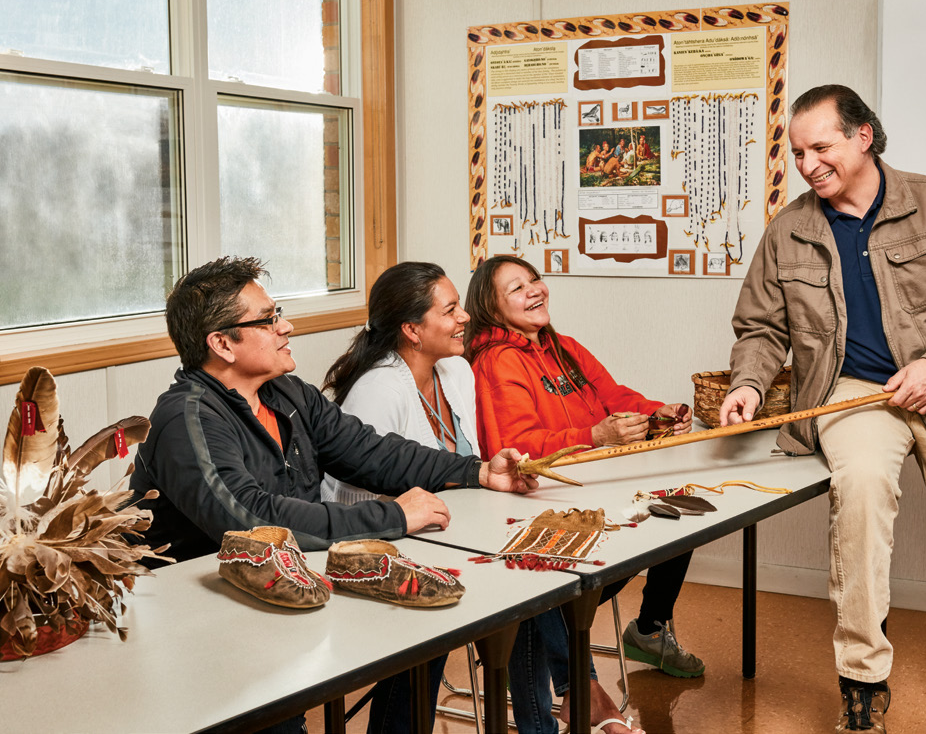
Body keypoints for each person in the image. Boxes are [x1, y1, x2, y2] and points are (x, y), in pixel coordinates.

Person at [718, 85, 926, 734]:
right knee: (858, 497)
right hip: (850, 392)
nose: (806, 165)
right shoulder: (789, 229)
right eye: (797, 152)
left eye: (820, 147)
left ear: (863, 137)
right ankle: (862, 691)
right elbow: (759, 329)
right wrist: (747, 382)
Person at [131, 256, 537, 734]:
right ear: (222, 344)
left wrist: (477, 471)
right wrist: (389, 516)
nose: (287, 325)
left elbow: (373, 452)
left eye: (277, 311)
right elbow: (247, 520)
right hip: (210, 629)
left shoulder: (288, 394)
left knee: (424, 631)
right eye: (268, 319)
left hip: (291, 590)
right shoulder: (187, 417)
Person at [465, 255, 705, 734]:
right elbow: (517, 449)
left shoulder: (564, 346)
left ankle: (650, 629)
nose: (534, 290)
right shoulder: (496, 361)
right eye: (516, 288)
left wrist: (661, 413)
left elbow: (614, 397)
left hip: (595, 492)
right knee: (552, 579)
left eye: (534, 280)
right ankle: (581, 686)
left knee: (681, 511)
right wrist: (594, 438)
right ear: (490, 306)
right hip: (539, 506)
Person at [321, 261, 478, 733]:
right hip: (378, 556)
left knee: (535, 597)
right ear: (412, 329)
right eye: (450, 310)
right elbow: (353, 499)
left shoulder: (457, 371)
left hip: (448, 541)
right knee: (428, 632)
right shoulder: (378, 389)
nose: (464, 317)